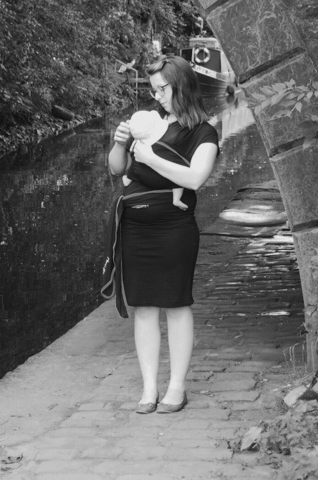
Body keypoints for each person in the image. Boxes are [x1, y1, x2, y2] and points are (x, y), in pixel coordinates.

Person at [106, 55, 219, 414]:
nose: (156, 97)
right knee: (143, 307)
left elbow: (195, 178)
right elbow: (117, 170)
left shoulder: (203, 132)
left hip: (174, 230)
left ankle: (176, 388)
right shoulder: (149, 123)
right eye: (153, 90)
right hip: (135, 228)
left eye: (162, 89)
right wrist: (120, 143)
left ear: (181, 86)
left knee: (176, 304)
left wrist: (151, 158)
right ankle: (149, 388)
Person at [121, 109, 187, 211]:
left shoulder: (136, 145)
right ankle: (176, 199)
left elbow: (130, 155)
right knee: (178, 179)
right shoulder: (164, 147)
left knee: (135, 162)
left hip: (142, 177)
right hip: (163, 180)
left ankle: (128, 179)